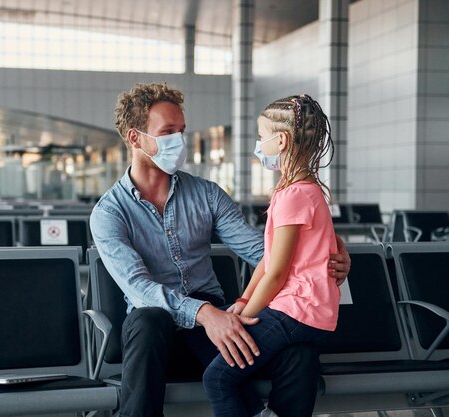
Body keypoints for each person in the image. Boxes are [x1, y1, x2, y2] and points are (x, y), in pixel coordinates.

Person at [89, 83, 350, 417]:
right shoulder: (110, 212)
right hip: (156, 338)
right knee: (148, 320)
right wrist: (204, 313)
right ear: (135, 137)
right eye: (168, 132)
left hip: (211, 328)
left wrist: (325, 257)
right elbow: (138, 287)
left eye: (181, 131)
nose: (179, 141)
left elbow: (264, 252)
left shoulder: (207, 195)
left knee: (299, 349)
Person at [203, 94, 341, 417]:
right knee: (232, 358)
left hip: (296, 310)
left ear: (280, 141)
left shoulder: (293, 195)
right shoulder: (301, 190)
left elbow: (278, 273)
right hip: (304, 311)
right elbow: (268, 260)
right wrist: (242, 302)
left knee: (217, 378)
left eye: (261, 137)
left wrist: (244, 316)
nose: (259, 144)